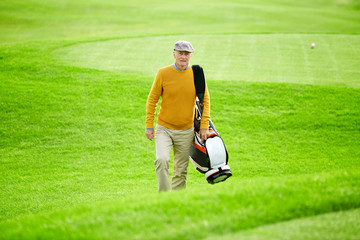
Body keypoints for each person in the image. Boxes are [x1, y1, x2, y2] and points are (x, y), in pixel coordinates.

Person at [145, 40, 211, 192]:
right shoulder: (163, 73)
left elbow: (205, 101)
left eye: (186, 54)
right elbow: (152, 100)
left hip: (186, 131)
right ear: (174, 54)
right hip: (164, 129)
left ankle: (175, 201)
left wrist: (204, 127)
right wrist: (149, 125)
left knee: (181, 170)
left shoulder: (197, 74)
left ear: (190, 56)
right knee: (162, 160)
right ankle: (164, 197)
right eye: (180, 53)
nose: (183, 57)